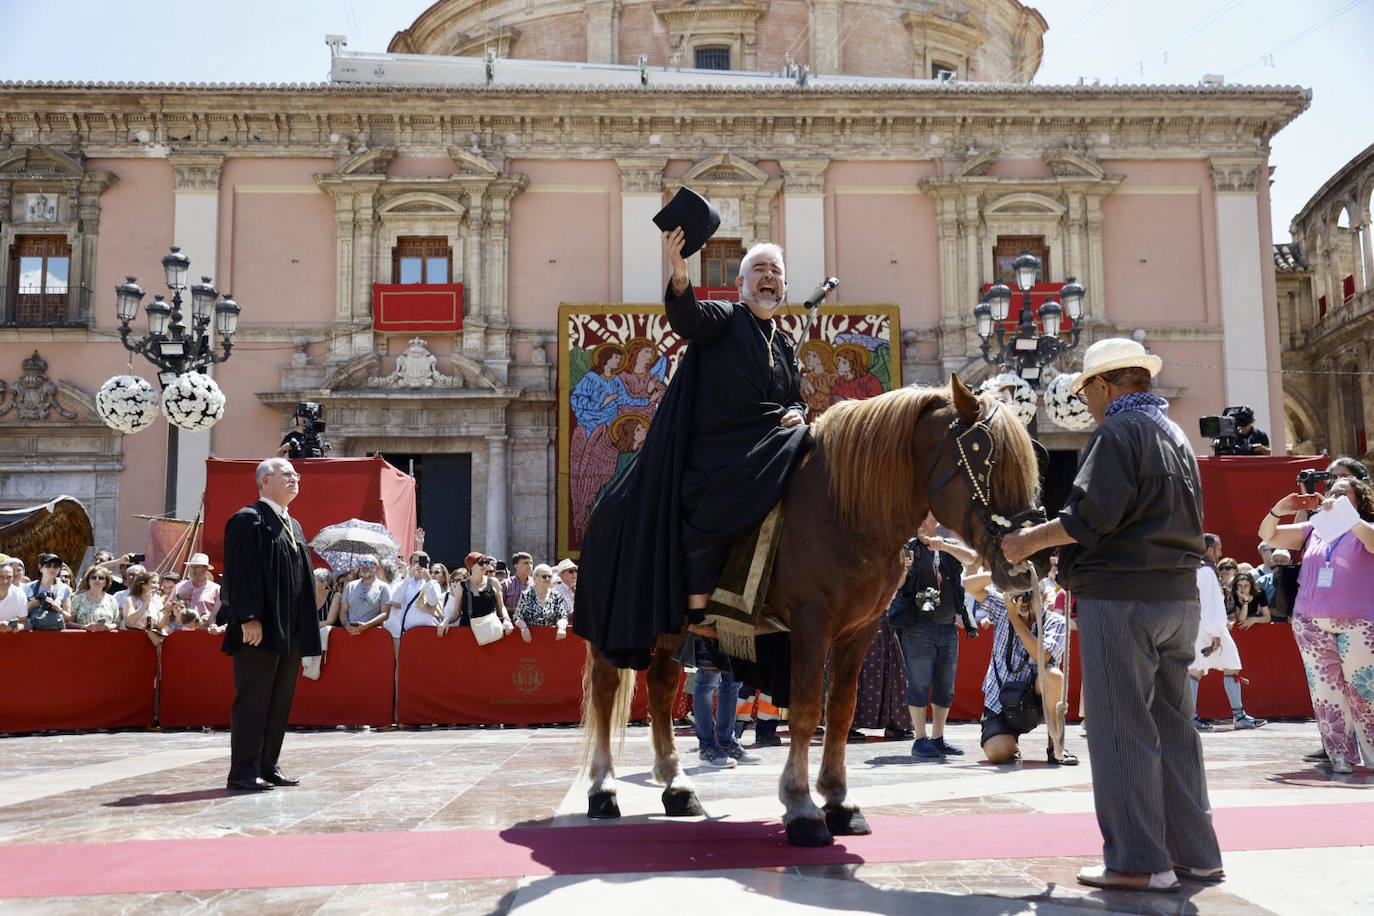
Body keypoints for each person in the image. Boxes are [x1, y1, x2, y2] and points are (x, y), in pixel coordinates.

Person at [1003, 337, 1222, 893]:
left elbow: (1088, 519)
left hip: (1123, 596)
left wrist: (1026, 542)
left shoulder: (1117, 431)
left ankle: (1139, 861)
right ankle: (1195, 853)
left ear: (1105, 385)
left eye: (1088, 392)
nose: (1089, 404)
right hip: (1179, 596)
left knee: (1120, 727)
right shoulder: (1174, 434)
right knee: (1175, 726)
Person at [574, 229, 810, 670]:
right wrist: (680, 276)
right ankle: (700, 610)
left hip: (767, 442)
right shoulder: (726, 316)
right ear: (740, 285)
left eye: (775, 271)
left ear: (785, 287)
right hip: (717, 450)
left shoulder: (783, 344)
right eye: (758, 270)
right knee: (707, 506)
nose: (768, 277)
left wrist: (797, 411)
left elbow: (794, 395)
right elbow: (688, 320)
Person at [1259, 475, 1374, 774]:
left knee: (1365, 690)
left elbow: (1370, 540)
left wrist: (1346, 515)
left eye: (1342, 492)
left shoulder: (1365, 528)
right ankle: (1340, 757)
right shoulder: (1313, 529)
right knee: (1325, 694)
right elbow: (1268, 536)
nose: (1333, 496)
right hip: (1310, 621)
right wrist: (1279, 509)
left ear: (1358, 499)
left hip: (1359, 621)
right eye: (1331, 492)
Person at [220, 457, 321, 793]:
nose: (296, 479)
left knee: (279, 700)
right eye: (287, 475)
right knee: (254, 699)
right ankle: (243, 772)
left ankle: (268, 765)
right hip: (258, 628)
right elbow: (239, 573)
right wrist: (248, 617)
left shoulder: (293, 525)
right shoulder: (248, 520)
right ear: (264, 481)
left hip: (289, 629)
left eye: (296, 475)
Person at [887, 516, 978, 759]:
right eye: (917, 518)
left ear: (935, 520)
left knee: (945, 687)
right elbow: (896, 586)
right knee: (918, 684)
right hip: (918, 627)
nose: (921, 523)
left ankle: (938, 738)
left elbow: (972, 559)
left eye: (926, 518)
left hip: (947, 627)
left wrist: (944, 546)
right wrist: (905, 568)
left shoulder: (947, 546)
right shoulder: (907, 549)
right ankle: (920, 739)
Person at [964, 572, 1076, 766]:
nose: (1023, 602)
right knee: (997, 754)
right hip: (1001, 701)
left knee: (1053, 675)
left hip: (1038, 702)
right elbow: (969, 585)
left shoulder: (1055, 622)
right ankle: (1011, 744)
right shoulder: (1001, 607)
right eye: (1018, 595)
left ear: (1043, 597)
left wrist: (1015, 620)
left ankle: (1056, 746)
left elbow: (1042, 656)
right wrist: (1002, 573)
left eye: (1029, 595)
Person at [1190, 535, 1266, 731]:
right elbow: (1211, 603)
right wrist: (1216, 632)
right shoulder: (1206, 571)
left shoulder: (1197, 568)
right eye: (1219, 548)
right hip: (1210, 626)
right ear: (1210, 550)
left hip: (1198, 624)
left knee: (1196, 669)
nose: (1221, 552)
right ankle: (1238, 716)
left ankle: (1191, 717)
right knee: (1231, 665)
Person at [440, 552, 512, 639]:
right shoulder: (461, 585)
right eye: (481, 563)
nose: (484, 566)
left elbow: (501, 607)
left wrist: (507, 620)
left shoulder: (493, 582)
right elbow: (456, 612)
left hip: (489, 630)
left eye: (486, 562)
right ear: (471, 567)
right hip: (467, 631)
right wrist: (446, 621)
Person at [383, 551, 443, 638]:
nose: (418, 565)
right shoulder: (404, 582)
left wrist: (428, 581)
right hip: (408, 633)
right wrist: (408, 578)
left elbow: (433, 602)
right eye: (415, 562)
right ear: (410, 565)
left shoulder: (433, 583)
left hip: (429, 633)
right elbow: (395, 599)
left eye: (421, 562)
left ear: (427, 565)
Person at [511, 563, 569, 641]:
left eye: (550, 576)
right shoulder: (526, 595)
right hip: (530, 639)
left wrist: (562, 628)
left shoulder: (556, 596)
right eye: (544, 576)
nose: (547, 579)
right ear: (535, 579)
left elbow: (562, 616)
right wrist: (524, 628)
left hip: (552, 639)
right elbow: (517, 617)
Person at [340, 556, 390, 635]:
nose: (364, 566)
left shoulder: (384, 587)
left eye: (368, 563)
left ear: (376, 567)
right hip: (351, 632)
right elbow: (343, 610)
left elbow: (385, 614)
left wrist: (367, 625)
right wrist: (346, 625)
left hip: (372, 633)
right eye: (362, 563)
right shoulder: (350, 586)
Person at [173, 554, 222, 632]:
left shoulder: (216, 589)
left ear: (206, 569)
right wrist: (179, 596)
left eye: (197, 567)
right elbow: (167, 609)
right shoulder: (179, 587)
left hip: (204, 633)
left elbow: (222, 614)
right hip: (181, 633)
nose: (193, 569)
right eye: (191, 566)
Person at [25, 553, 73, 630]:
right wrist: (33, 604)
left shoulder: (65, 588)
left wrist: (57, 608)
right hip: (34, 634)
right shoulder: (28, 587)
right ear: (40, 568)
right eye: (48, 566)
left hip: (56, 633)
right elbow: (19, 615)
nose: (52, 569)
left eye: (56, 566)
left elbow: (68, 617)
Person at [0, 562, 29, 631]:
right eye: (1, 577)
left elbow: (24, 621)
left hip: (10, 638)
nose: (5, 581)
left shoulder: (20, 595)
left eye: (9, 577)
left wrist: (19, 627)